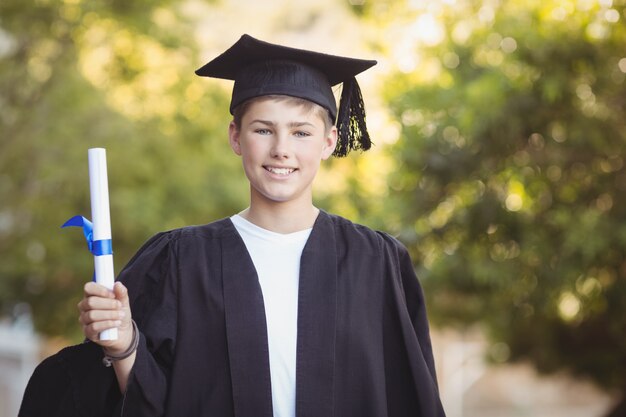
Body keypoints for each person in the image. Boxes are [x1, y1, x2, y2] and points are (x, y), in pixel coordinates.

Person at [22, 34, 446, 417]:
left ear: (329, 142)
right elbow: (145, 399)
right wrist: (122, 345)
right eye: (263, 130)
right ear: (236, 137)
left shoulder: (378, 263)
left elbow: (411, 396)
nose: (282, 150)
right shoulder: (179, 260)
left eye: (301, 133)